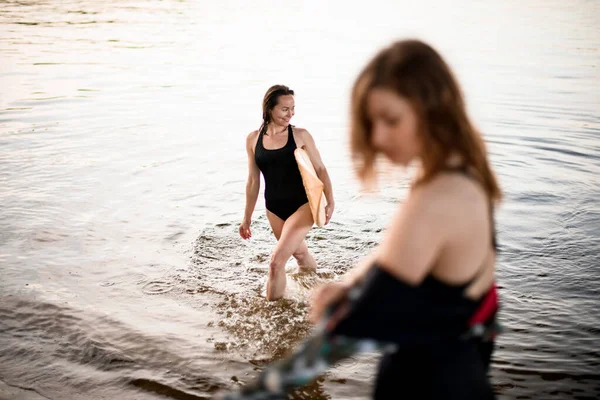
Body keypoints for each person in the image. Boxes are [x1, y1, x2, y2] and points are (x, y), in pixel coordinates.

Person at [308, 39, 502, 399]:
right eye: (371, 122)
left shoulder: (435, 201)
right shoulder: (465, 173)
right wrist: (350, 282)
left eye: (391, 120)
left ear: (432, 109)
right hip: (466, 376)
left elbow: (354, 323)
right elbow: (396, 253)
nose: (378, 137)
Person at [239, 84, 335, 301]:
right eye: (285, 109)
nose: (290, 114)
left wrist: (330, 201)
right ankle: (314, 283)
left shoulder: (300, 135)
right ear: (270, 108)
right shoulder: (253, 139)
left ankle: (272, 314)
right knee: (299, 253)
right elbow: (253, 181)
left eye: (293, 108)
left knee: (276, 262)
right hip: (273, 208)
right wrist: (247, 218)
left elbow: (320, 168)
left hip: (302, 205)